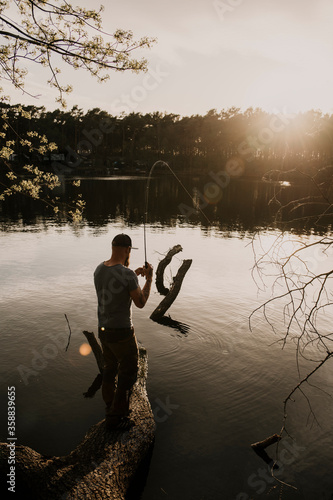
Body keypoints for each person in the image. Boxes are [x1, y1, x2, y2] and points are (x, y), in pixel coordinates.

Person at [94, 233, 153, 428]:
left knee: (109, 370)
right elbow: (141, 303)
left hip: (104, 331)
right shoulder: (127, 275)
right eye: (129, 250)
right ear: (128, 250)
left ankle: (109, 408)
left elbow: (116, 285)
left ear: (113, 248)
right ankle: (117, 418)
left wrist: (133, 276)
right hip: (122, 333)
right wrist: (149, 279)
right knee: (128, 373)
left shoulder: (99, 269)